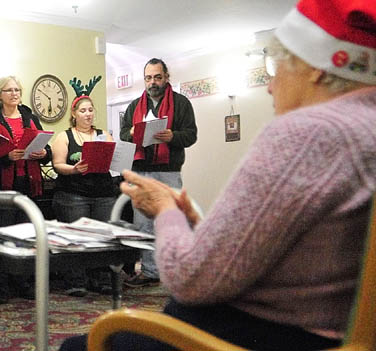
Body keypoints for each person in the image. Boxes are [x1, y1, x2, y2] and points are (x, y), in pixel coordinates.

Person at [61, 0, 376, 349]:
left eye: (276, 68)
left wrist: (167, 210)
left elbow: (190, 279)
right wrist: (198, 226)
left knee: (78, 345)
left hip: (257, 335)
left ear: (315, 67)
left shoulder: (308, 133)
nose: (270, 86)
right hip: (322, 328)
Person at [120, 58, 197, 288]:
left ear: (166, 77)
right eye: (148, 78)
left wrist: (172, 137)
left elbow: (191, 135)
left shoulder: (181, 103)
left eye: (157, 77)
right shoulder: (134, 106)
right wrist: (132, 131)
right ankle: (149, 271)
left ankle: (175, 269)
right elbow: (124, 134)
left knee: (171, 221)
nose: (152, 82)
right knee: (142, 222)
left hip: (169, 170)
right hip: (141, 170)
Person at [0, 76, 51, 303]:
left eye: (17, 89)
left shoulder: (30, 117)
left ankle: (22, 282)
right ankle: (0, 285)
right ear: (0, 95)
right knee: (1, 236)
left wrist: (44, 153)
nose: (14, 94)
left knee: (24, 235)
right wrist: (5, 156)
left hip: (27, 184)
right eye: (9, 90)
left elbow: (44, 145)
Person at [51, 94, 121, 296]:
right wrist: (74, 169)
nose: (87, 114)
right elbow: (58, 165)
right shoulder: (64, 136)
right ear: (74, 114)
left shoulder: (103, 134)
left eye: (90, 110)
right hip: (73, 194)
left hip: (103, 193)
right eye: (83, 111)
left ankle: (100, 278)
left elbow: (114, 159)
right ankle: (76, 280)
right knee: (76, 238)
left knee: (102, 238)